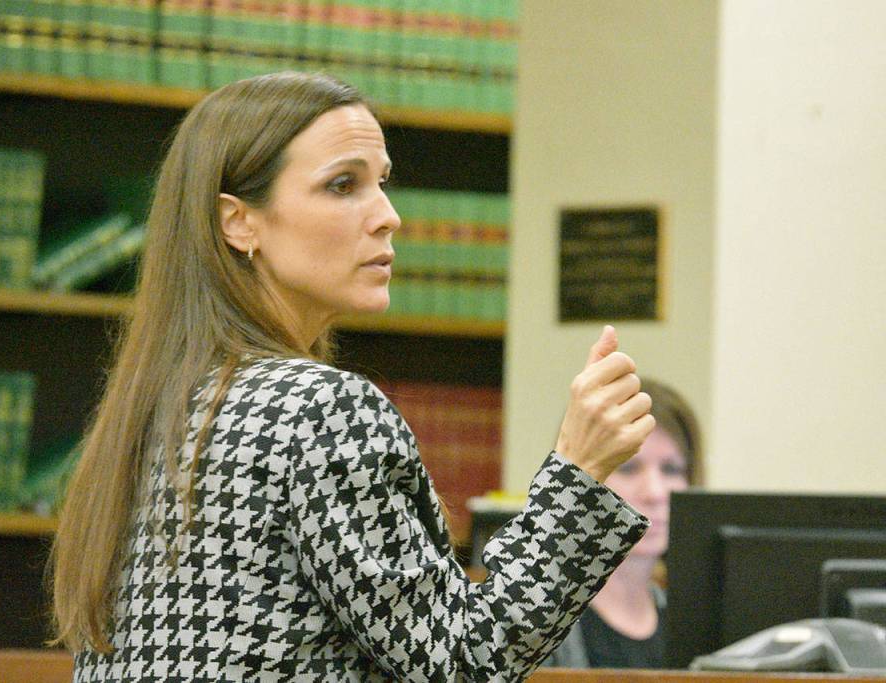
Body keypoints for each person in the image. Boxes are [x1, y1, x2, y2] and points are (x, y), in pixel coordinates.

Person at [49, 71, 656, 682]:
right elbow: (465, 662)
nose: (388, 217)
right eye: (343, 186)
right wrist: (579, 472)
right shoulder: (318, 410)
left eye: (382, 184)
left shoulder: (153, 412)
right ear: (238, 222)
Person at [543, 378, 701, 669]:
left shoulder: (690, 625)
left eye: (671, 469)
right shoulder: (539, 623)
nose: (655, 492)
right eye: (628, 467)